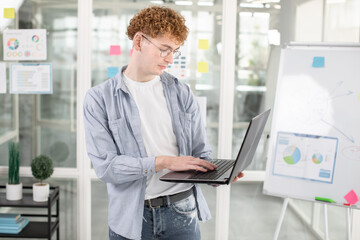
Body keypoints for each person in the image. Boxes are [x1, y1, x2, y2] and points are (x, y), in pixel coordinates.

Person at [83, 6, 243, 240]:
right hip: (132, 218)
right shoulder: (99, 99)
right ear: (139, 42)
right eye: (164, 49)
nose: (169, 58)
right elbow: (107, 168)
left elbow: (200, 151)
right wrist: (163, 162)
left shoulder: (182, 92)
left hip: (182, 211)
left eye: (174, 51)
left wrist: (214, 174)